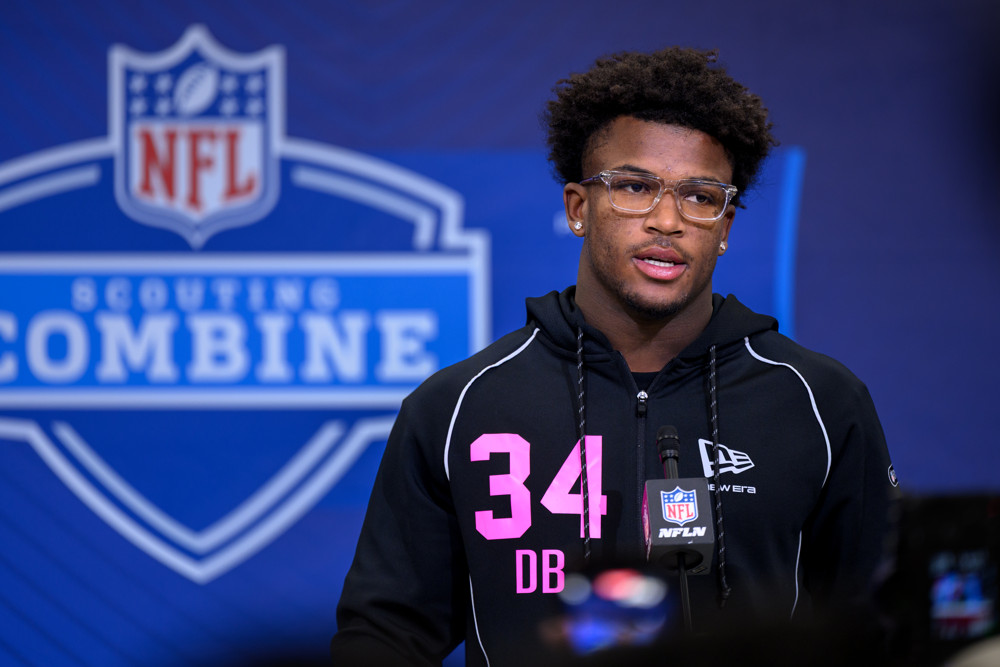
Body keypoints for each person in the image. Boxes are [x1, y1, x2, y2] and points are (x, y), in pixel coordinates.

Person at [330, 47, 897, 666]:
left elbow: (877, 627)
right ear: (579, 207)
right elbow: (384, 634)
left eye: (700, 196)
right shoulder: (458, 406)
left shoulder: (818, 402)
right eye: (634, 187)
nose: (667, 220)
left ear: (726, 226)